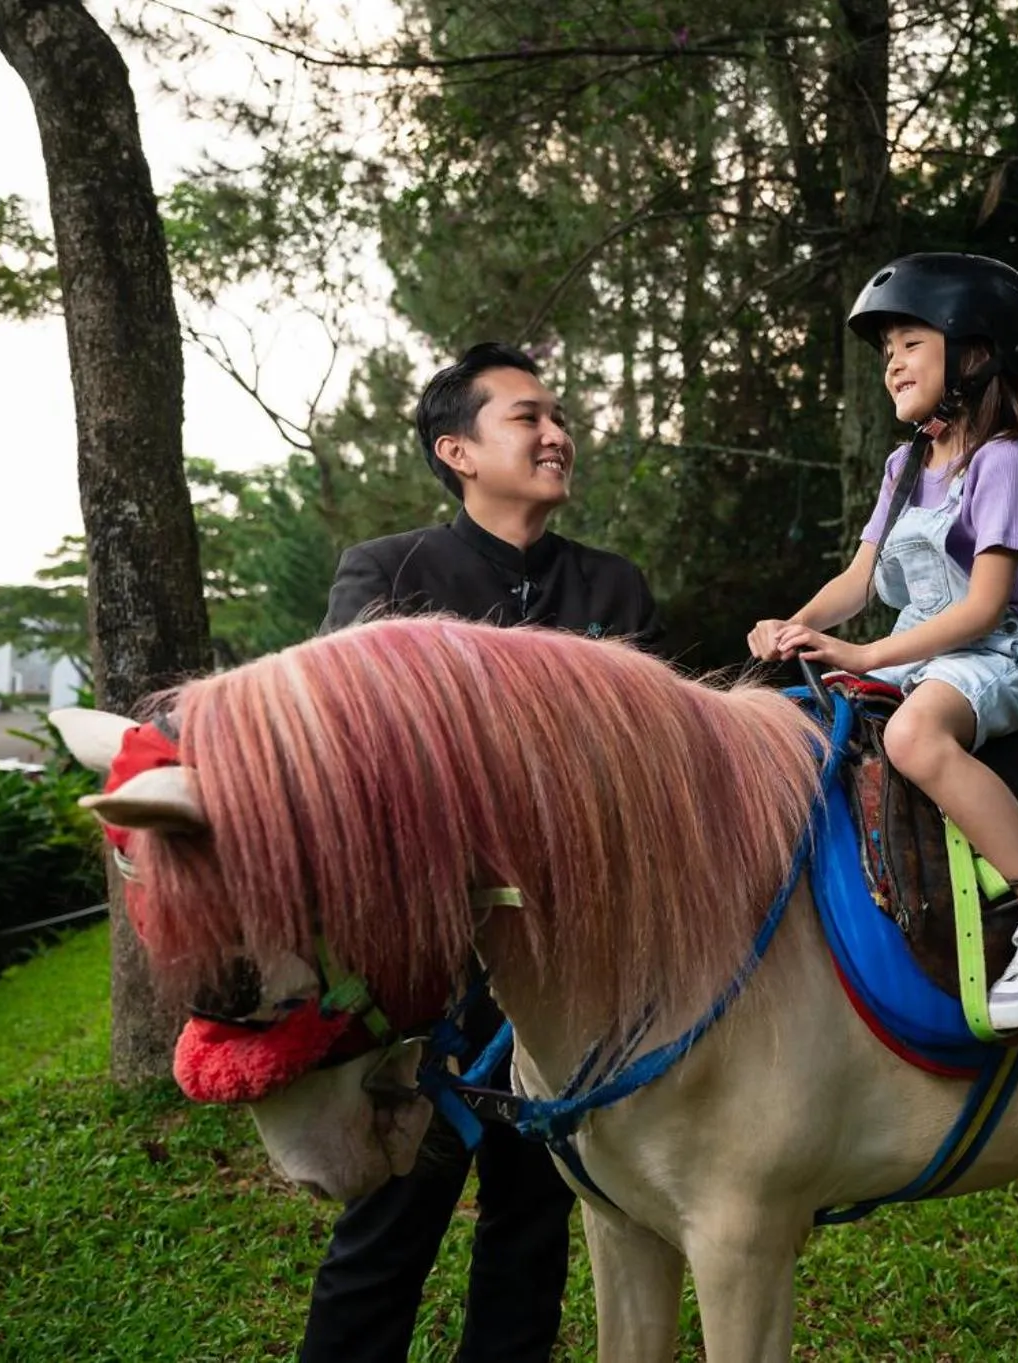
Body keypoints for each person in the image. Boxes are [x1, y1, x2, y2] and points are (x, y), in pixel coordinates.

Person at [303, 341, 660, 1363]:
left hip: (568, 966)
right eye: (527, 417)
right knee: (389, 1222)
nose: (557, 434)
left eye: (559, 417)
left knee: (533, 1219)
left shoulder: (612, 589)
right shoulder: (388, 572)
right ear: (456, 449)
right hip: (432, 970)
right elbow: (364, 746)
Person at [746, 253, 1018, 1032]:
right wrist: (798, 624)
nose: (894, 364)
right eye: (887, 354)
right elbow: (860, 577)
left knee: (914, 733)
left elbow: (983, 608)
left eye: (911, 342)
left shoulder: (1006, 463)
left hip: (999, 652)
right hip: (922, 650)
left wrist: (866, 655)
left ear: (976, 351)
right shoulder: (905, 464)